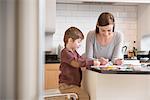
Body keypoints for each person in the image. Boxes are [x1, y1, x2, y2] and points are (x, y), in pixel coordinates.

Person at [58, 26, 100, 100]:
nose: (80, 45)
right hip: (66, 86)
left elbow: (82, 60)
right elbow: (76, 63)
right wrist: (92, 62)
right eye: (78, 42)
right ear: (70, 40)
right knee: (84, 97)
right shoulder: (65, 52)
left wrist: (98, 60)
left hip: (73, 85)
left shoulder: (74, 52)